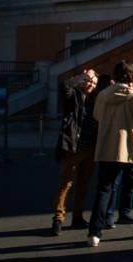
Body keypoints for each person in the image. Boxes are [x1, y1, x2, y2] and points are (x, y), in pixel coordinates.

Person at [87, 60, 133, 247]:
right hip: (130, 151)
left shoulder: (103, 95)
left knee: (104, 189)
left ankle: (94, 233)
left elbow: (96, 116)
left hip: (106, 149)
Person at [51, 69, 99, 235]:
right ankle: (58, 217)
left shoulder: (94, 99)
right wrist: (81, 77)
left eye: (93, 83)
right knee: (66, 183)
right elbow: (64, 86)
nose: (91, 85)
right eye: (89, 81)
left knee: (83, 185)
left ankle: (77, 217)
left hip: (90, 149)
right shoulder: (74, 95)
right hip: (73, 148)